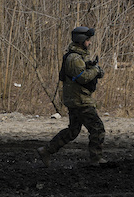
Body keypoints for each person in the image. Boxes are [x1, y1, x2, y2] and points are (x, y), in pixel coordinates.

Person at [37, 26, 107, 166]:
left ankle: (46, 150)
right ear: (81, 41)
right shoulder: (74, 58)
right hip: (80, 101)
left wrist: (95, 69)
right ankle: (96, 159)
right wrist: (95, 70)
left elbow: (87, 72)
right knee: (97, 129)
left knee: (73, 131)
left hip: (77, 99)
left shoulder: (79, 56)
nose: (90, 43)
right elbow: (83, 77)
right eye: (88, 40)